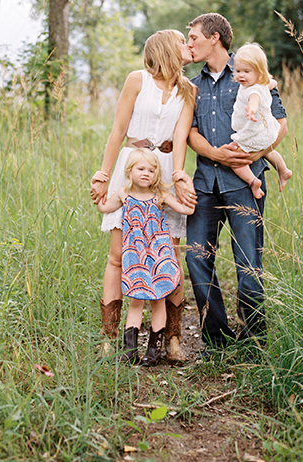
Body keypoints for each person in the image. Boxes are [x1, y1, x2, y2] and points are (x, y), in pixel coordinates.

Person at [173, 13, 288, 350]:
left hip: (244, 183)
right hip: (205, 182)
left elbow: (280, 124)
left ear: (215, 38)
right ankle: (217, 340)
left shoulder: (252, 69)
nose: (189, 43)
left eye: (193, 37)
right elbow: (189, 133)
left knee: (249, 262)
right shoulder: (191, 85)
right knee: (197, 257)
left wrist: (254, 153)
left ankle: (254, 341)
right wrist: (217, 154)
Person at [90, 29, 198, 364]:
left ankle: (173, 340)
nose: (188, 45)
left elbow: (180, 138)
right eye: (183, 40)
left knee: (169, 255)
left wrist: (179, 176)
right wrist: (103, 175)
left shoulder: (189, 90)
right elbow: (118, 130)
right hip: (132, 166)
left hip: (163, 169)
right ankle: (111, 338)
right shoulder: (137, 80)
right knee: (120, 254)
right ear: (167, 47)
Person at [96, 148, 194, 365]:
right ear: (130, 170)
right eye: (141, 169)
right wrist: (97, 182)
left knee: (158, 302)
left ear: (157, 174)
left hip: (158, 257)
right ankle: (129, 350)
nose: (146, 173)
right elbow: (103, 206)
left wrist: (186, 183)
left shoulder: (160, 196)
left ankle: (154, 350)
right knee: (136, 302)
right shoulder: (124, 194)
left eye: (151, 170)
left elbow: (187, 210)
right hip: (135, 259)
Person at [230, 43, 292, 198]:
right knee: (269, 152)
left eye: (246, 71)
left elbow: (254, 99)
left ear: (259, 73)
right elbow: (272, 83)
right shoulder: (261, 83)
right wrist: (271, 83)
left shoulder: (254, 90)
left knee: (235, 158)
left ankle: (253, 182)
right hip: (266, 131)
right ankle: (283, 170)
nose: (241, 75)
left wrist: (251, 109)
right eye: (238, 71)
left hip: (255, 130)